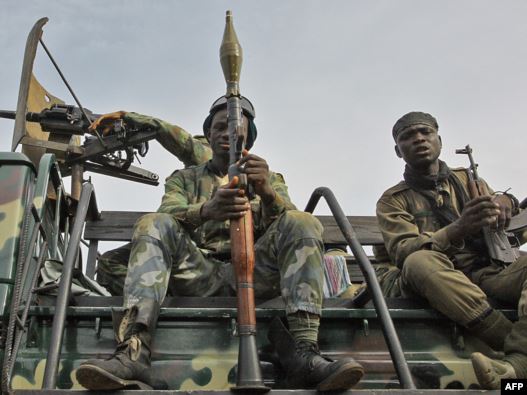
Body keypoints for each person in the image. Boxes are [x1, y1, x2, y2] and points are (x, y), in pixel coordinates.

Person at [76, 96, 364, 391]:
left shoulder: (268, 177)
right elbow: (167, 214)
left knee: (302, 221)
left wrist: (267, 193)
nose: (227, 132)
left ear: (248, 137)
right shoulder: (184, 179)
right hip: (199, 273)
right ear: (209, 135)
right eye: (219, 127)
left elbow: (289, 226)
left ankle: (305, 353)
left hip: (257, 274)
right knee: (153, 222)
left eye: (235, 127)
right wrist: (205, 211)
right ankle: (133, 353)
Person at [376, 111, 527, 390]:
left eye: (426, 132)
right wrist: (459, 228)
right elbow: (404, 250)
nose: (419, 139)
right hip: (439, 277)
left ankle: (516, 367)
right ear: (399, 151)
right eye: (408, 137)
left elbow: (503, 225)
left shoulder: (469, 181)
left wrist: (507, 201)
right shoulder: (392, 201)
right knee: (419, 261)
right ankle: (514, 350)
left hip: (488, 271)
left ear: (440, 141)